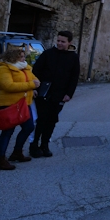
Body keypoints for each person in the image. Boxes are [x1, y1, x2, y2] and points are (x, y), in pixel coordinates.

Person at [30, 30, 80, 158]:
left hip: (59, 94)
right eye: (58, 40)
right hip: (43, 93)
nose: (59, 43)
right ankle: (34, 145)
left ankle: (45, 145)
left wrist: (69, 94)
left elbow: (74, 78)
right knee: (40, 120)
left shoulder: (73, 57)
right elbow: (35, 71)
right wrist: (34, 87)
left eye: (63, 41)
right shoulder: (47, 54)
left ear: (69, 43)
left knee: (52, 120)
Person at [0, 47, 39, 170]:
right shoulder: (3, 69)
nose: (24, 58)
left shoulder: (25, 67)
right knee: (7, 131)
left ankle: (17, 152)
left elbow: (34, 80)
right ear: (13, 58)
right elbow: (8, 86)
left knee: (29, 127)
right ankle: (0, 160)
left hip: (24, 104)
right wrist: (30, 85)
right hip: (10, 104)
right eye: (21, 56)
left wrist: (32, 88)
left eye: (24, 56)